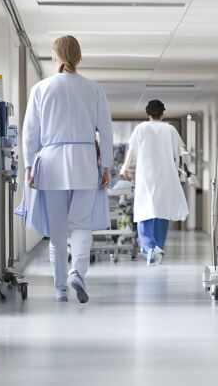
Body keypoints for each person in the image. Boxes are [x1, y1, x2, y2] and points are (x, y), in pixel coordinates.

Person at [22, 35, 113, 303]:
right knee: (81, 225)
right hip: (84, 162)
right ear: (79, 57)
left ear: (54, 56)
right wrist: (106, 166)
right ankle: (78, 272)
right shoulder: (93, 89)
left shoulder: (41, 88)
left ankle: (61, 289)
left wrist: (30, 165)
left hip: (51, 164)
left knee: (58, 231)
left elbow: (30, 133)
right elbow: (106, 131)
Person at [119, 100, 188, 266]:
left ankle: (148, 248)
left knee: (144, 210)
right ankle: (157, 247)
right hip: (165, 176)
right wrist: (179, 170)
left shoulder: (140, 128)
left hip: (146, 175)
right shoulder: (170, 129)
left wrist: (125, 168)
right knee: (161, 211)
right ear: (163, 113)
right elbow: (180, 153)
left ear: (148, 114)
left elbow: (132, 150)